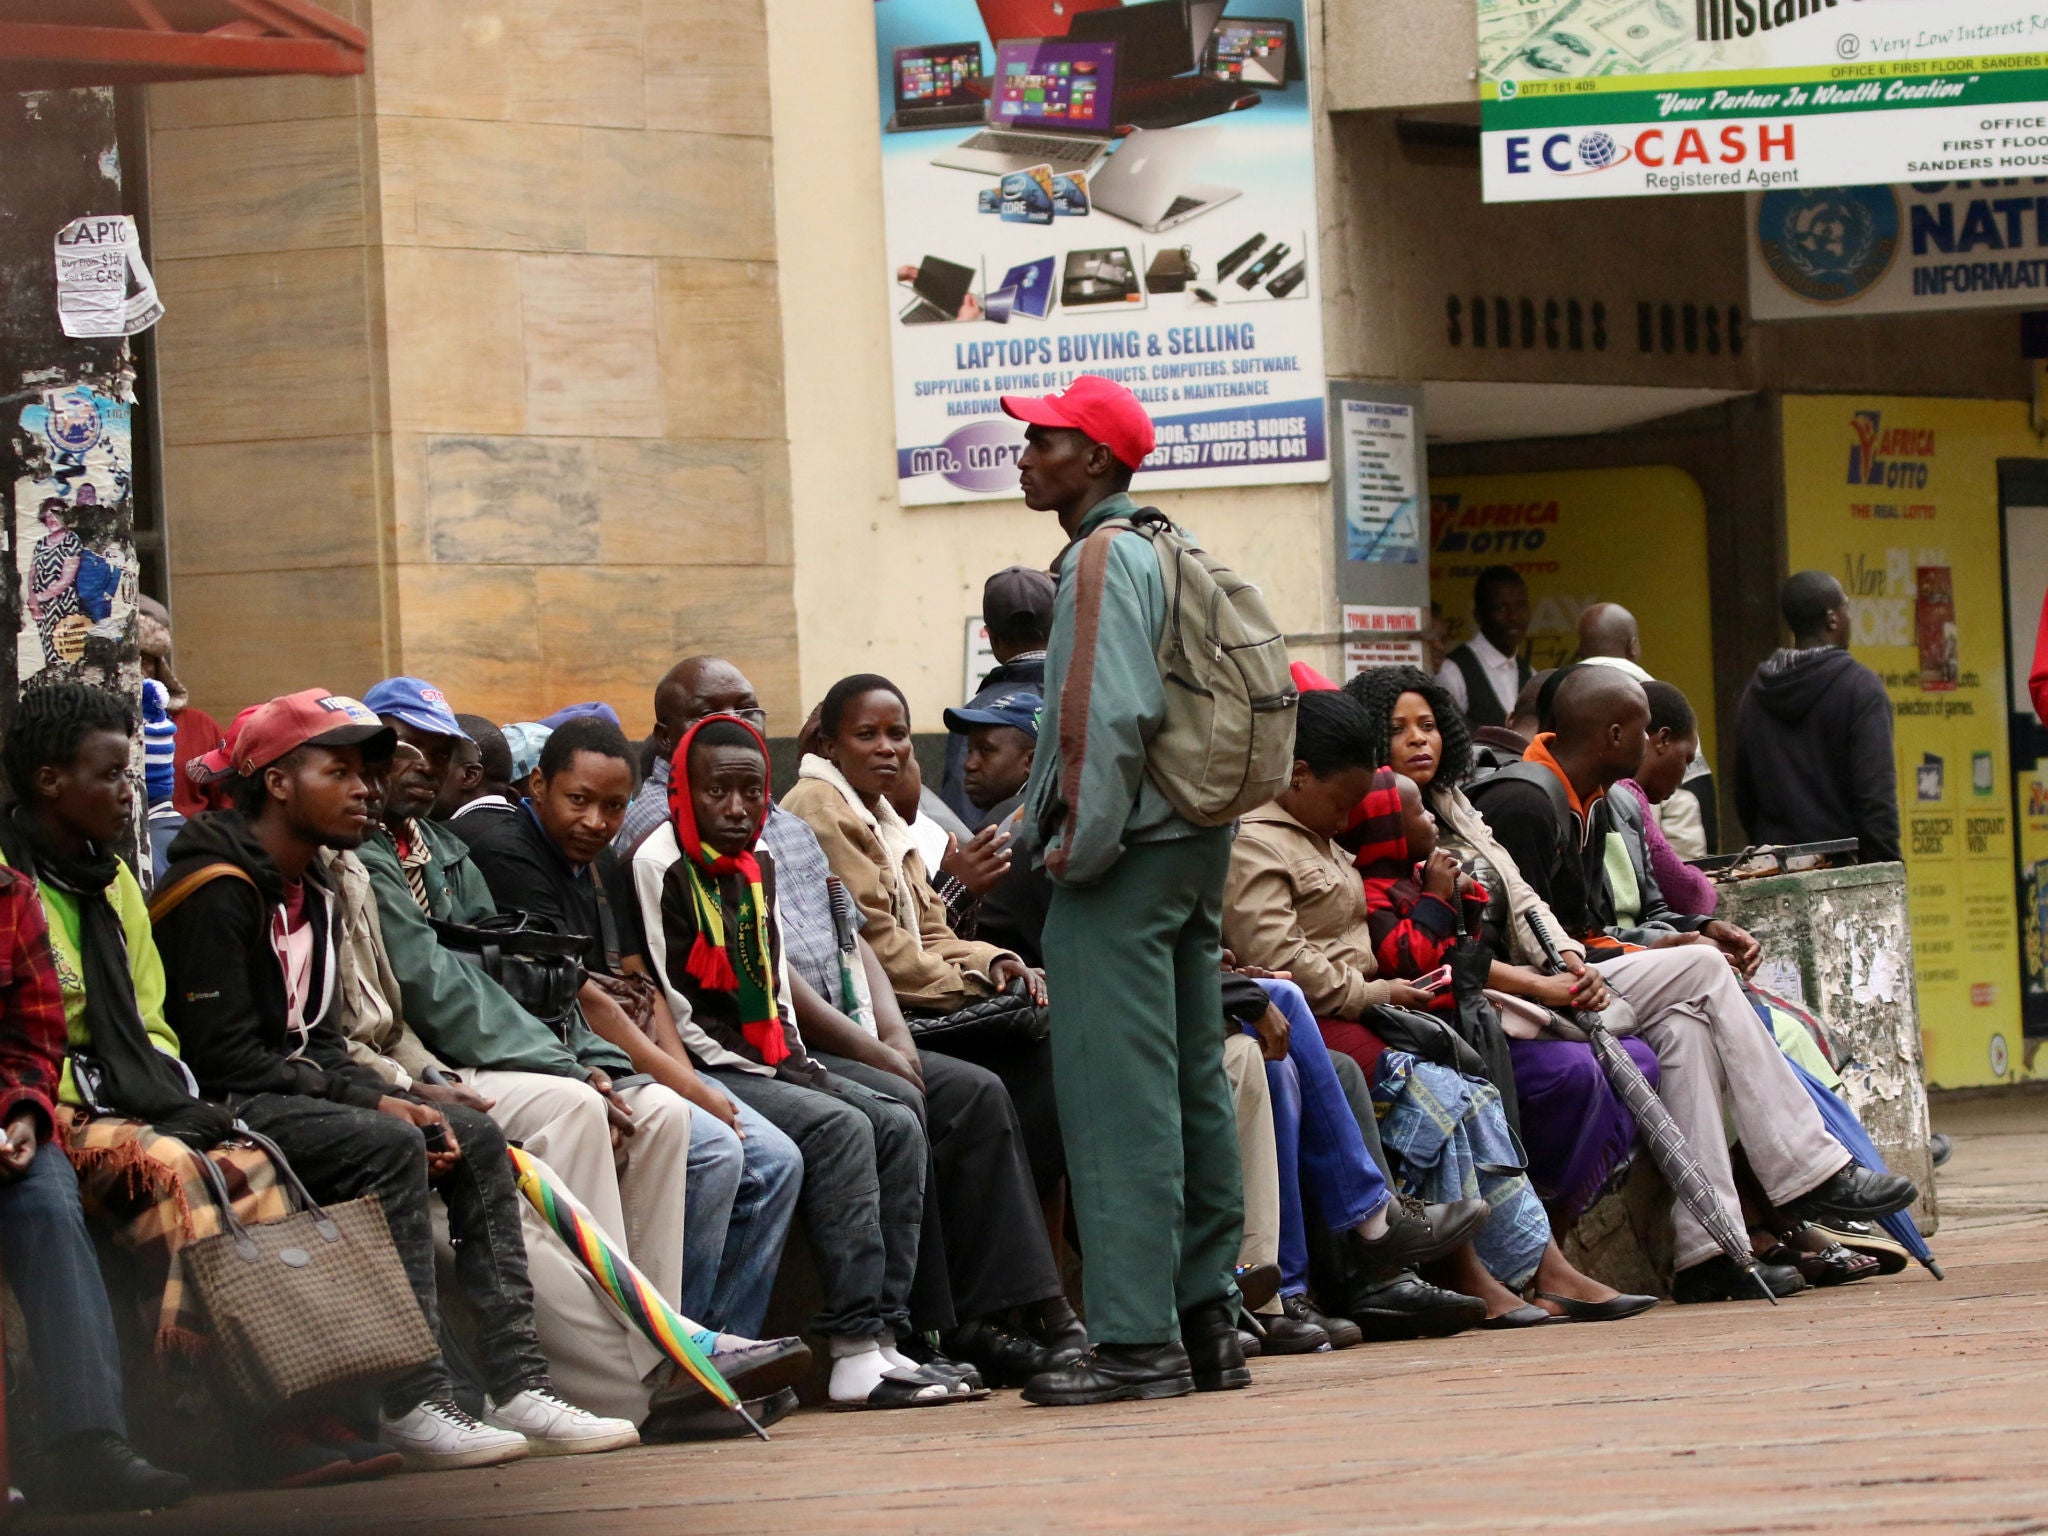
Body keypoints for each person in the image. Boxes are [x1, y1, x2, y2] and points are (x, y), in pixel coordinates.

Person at [152, 689, 639, 1467]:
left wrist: (412, 1093)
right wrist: (377, 1101)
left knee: (471, 1132)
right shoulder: (215, 888)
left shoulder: (315, 885)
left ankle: (518, 1384)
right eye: (339, 771)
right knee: (386, 1144)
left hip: (294, 1086)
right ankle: (417, 1399)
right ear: (277, 781)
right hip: (222, 1101)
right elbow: (226, 1059)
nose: (364, 790)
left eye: (367, 773)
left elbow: (325, 1038)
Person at [350, 678, 805, 1404]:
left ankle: (665, 1347)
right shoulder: (409, 853)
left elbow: (532, 975)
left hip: (500, 1054)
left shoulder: (440, 848)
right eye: (400, 747)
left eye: (437, 751)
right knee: (581, 1109)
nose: (419, 764)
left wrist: (602, 1065)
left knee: (665, 1119)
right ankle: (627, 1373)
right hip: (428, 1063)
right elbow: (440, 983)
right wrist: (581, 1067)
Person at [1468, 664, 1918, 1301]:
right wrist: (1681, 953)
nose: (1651, 741)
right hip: (1524, 1001)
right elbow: (1522, 951)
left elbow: (1581, 931)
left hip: (1577, 983)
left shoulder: (1586, 799)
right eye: (1644, 730)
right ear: (1615, 735)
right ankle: (1808, 1170)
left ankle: (1710, 1249)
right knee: (1705, 971)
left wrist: (1680, 936)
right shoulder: (1528, 801)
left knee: (1687, 1022)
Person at [1224, 689, 1646, 1328]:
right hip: (1329, 1017)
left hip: (1363, 1013)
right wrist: (1380, 991)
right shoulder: (1257, 843)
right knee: (1439, 1099)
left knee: (1471, 1094)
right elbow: (1289, 964)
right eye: (1341, 803)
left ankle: (1541, 1269)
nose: (1346, 821)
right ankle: (1469, 1273)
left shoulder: (1316, 835)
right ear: (1298, 775)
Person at [999, 375, 1246, 1406]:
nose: (1023, 456)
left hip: (1124, 857)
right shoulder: (1164, 543)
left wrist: (1070, 851)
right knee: (1191, 1086)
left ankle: (1135, 1341)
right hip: (1191, 845)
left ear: (1093, 460)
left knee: (1116, 1101)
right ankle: (1206, 1330)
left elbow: (1103, 719)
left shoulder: (1100, 556)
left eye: (1042, 441)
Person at [636, 714, 981, 1410]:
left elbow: (770, 982)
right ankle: (851, 1349)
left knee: (899, 1112)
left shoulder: (757, 860)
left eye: (751, 793)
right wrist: (791, 1073)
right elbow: (683, 1008)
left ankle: (887, 1334)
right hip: (714, 1064)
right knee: (840, 1126)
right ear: (685, 791)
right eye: (717, 793)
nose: (737, 810)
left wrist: (799, 1058)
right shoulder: (660, 863)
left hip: (770, 1055)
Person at [456, 713, 801, 1347]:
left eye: (613, 807)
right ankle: (671, 1347)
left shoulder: (596, 859)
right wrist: (694, 1090)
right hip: (557, 1057)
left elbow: (640, 987)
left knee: (777, 1159)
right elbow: (589, 998)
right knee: (715, 1149)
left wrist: (689, 1078)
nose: (595, 822)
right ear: (538, 786)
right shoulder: (510, 852)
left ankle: (726, 1344)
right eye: (578, 801)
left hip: (629, 1056)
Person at [781, 675, 1085, 1381]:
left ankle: (1034, 1303)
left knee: (1045, 1056)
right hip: (869, 1023)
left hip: (913, 1008)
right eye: (867, 735)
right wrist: (978, 980)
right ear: (827, 742)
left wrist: (1001, 963)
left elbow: (934, 930)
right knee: (979, 1092)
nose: (888, 750)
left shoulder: (879, 815)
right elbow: (886, 956)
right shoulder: (823, 809)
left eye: (898, 735)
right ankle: (998, 1314)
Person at [1345, 665, 1670, 1240]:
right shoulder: (1366, 840)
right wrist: (1538, 985)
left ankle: (1560, 1219)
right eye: (1399, 730)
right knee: (1577, 1073)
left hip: (1513, 988)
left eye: (1428, 724)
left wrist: (1566, 960)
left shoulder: (1450, 803)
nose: (1420, 739)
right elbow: (1433, 955)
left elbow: (1520, 891)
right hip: (1462, 1010)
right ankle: (1529, 1230)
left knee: (1640, 1060)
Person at [0, 852, 190, 1512]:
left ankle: (88, 1443)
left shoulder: (9, 896)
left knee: (48, 1202)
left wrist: (24, 1110)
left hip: (3, 1117)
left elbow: (33, 1038)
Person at [1732, 571, 1900, 863]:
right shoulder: (1861, 689)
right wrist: (1887, 874)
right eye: (1846, 607)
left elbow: (1744, 795)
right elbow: (1876, 801)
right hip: (1844, 874)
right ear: (1832, 619)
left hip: (1775, 871)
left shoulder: (1754, 694)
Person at [1577, 602, 1715, 858]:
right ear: (1633, 646)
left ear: (1580, 649)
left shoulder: (1562, 699)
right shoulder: (1664, 702)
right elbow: (1690, 805)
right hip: (1651, 874)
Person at [941, 565, 1054, 825]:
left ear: (991, 639)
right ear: (1057, 629)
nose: (971, 763)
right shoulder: (1087, 697)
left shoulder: (979, 712)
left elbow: (960, 824)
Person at [1616, 681, 1721, 920]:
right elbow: (1689, 895)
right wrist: (1702, 880)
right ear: (1663, 739)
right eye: (1686, 758)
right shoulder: (1627, 795)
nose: (1684, 773)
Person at [135, 594, 230, 819]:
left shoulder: (200, 727)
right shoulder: (93, 732)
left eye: (145, 661)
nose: (136, 672)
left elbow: (229, 807)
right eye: (129, 661)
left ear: (160, 669)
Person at [1437, 565, 1531, 729]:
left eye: (1520, 606)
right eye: (1501, 608)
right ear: (1478, 616)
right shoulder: (1453, 671)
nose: (1514, 616)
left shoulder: (1530, 673)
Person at [434, 713, 519, 826]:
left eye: (438, 760)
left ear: (469, 775)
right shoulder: (535, 833)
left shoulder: (448, 839)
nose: (425, 768)